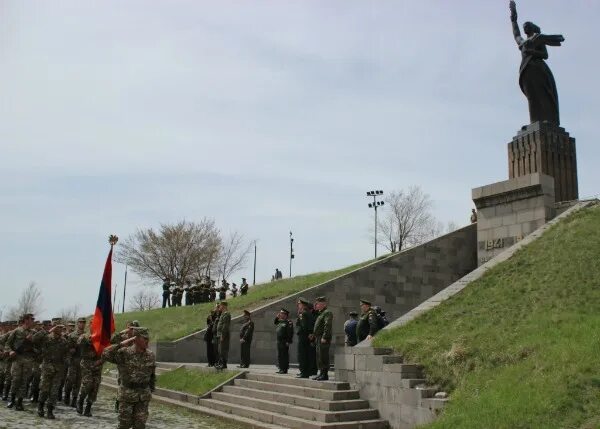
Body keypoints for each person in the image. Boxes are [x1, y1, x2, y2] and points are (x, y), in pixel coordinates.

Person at [509, 0, 565, 125]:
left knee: (542, 94)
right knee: (532, 97)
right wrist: (513, 19)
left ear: (532, 28)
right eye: (524, 27)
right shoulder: (522, 43)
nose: (525, 28)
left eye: (527, 26)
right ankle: (534, 121)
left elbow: (545, 55)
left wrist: (531, 52)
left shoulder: (538, 39)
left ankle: (548, 120)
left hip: (539, 70)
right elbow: (515, 33)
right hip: (527, 72)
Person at [103, 327, 156, 429]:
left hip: (143, 396)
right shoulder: (124, 353)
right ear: (136, 339)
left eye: (147, 338)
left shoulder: (150, 355)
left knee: (140, 425)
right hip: (127, 395)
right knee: (124, 425)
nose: (147, 341)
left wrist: (150, 390)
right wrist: (121, 344)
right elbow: (105, 354)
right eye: (144, 338)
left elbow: (152, 374)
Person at [33, 324, 69, 419]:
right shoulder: (46, 338)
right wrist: (47, 331)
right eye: (58, 327)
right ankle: (40, 406)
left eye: (61, 327)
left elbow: (67, 353)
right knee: (44, 388)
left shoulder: (64, 341)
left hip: (58, 368)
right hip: (47, 366)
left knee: (54, 390)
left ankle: (50, 410)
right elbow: (34, 339)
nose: (60, 329)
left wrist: (66, 361)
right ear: (54, 328)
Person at [5, 313, 36, 411]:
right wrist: (10, 351)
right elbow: (7, 344)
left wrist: (32, 344)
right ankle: (12, 399)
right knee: (15, 380)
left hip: (28, 359)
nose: (33, 321)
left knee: (24, 381)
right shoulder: (16, 331)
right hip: (17, 359)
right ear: (26, 320)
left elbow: (37, 347)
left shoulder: (34, 332)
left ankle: (19, 402)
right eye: (31, 319)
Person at [76, 321, 103, 417]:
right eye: (93, 325)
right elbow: (79, 342)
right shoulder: (84, 336)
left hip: (98, 363)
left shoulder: (101, 337)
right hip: (86, 363)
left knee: (95, 386)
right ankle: (80, 400)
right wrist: (92, 337)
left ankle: (88, 407)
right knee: (87, 383)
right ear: (89, 326)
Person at [63, 317, 86, 408]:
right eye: (80, 322)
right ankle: (67, 394)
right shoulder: (72, 335)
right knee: (70, 379)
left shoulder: (86, 335)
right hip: (73, 360)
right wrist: (70, 351)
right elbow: (66, 347)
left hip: (82, 360)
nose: (82, 324)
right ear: (78, 324)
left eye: (83, 323)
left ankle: (74, 398)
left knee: (78, 381)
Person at [311, 297, 333, 381]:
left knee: (323, 356)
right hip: (318, 337)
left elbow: (327, 325)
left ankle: (325, 374)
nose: (317, 305)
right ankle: (321, 373)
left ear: (324, 304)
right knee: (319, 356)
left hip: (323, 337)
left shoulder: (327, 313)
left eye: (319, 304)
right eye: (316, 304)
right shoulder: (320, 313)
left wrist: (324, 336)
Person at [295, 298, 315, 378]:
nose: (298, 305)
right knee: (305, 354)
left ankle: (304, 372)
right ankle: (304, 372)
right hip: (306, 336)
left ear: (303, 305)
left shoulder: (303, 313)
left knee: (302, 355)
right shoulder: (307, 313)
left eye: (299, 304)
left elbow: (303, 326)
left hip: (303, 336)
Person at [274, 309, 294, 374]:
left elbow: (290, 332)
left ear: (285, 315)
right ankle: (281, 368)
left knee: (284, 355)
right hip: (279, 341)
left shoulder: (288, 322)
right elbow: (275, 322)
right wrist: (277, 317)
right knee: (280, 355)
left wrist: (288, 341)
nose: (280, 314)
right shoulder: (280, 321)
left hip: (284, 341)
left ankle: (284, 369)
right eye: (280, 313)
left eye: (282, 313)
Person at [216, 301, 231, 369]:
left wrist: (222, 335)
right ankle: (221, 363)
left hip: (223, 335)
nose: (220, 307)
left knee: (223, 350)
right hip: (220, 334)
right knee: (220, 350)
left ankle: (224, 364)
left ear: (224, 306)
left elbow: (225, 326)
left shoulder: (226, 314)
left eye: (221, 305)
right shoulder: (222, 314)